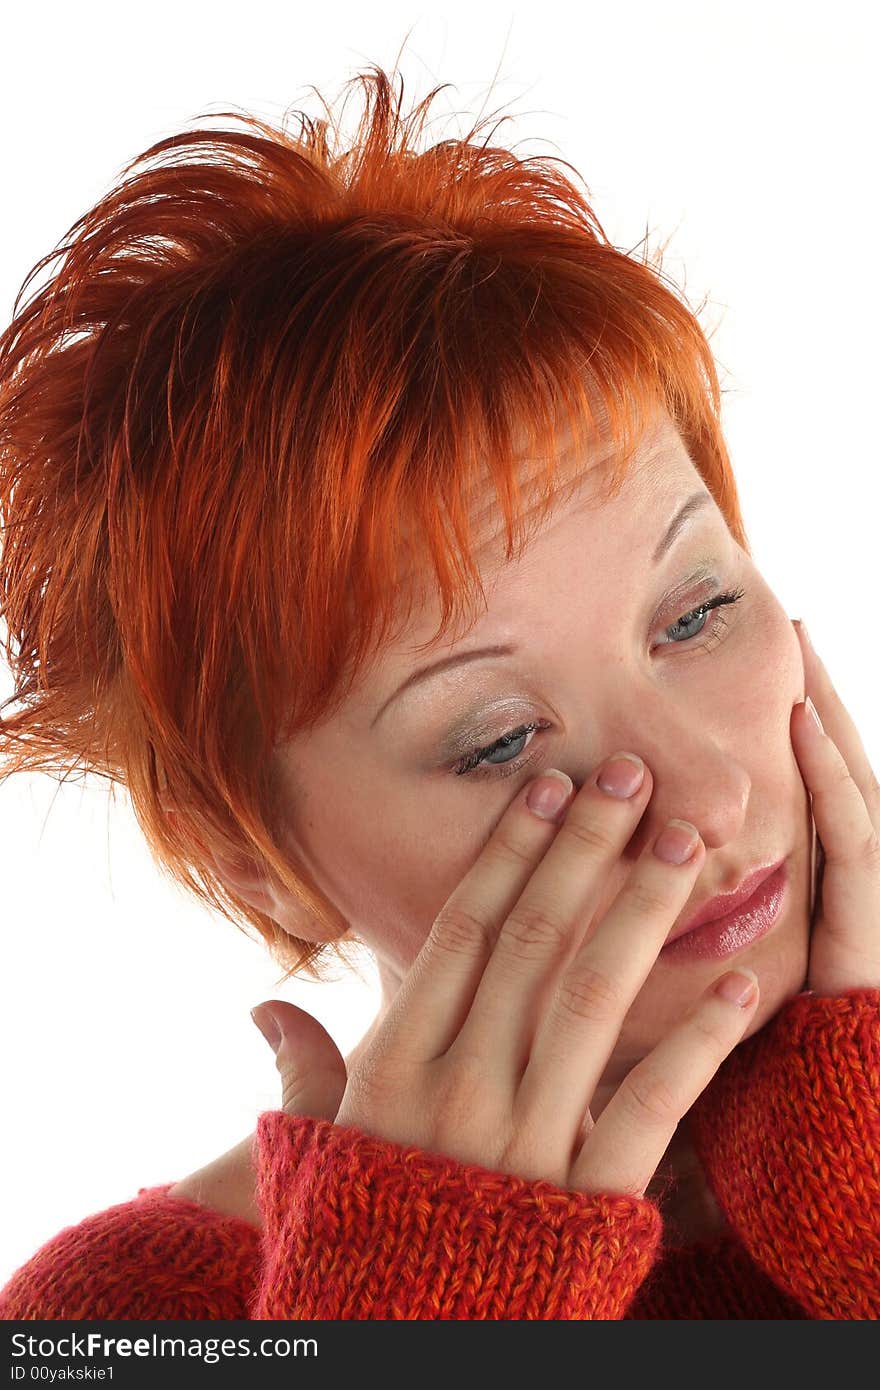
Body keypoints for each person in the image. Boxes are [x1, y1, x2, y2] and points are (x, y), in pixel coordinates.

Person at [1, 61, 877, 1322]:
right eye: (500, 739)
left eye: (695, 614)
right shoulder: (121, 1319)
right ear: (253, 857)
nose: (707, 795)